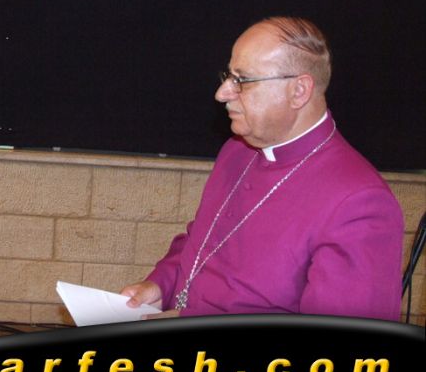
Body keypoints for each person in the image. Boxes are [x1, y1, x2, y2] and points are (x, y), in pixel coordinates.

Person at [121, 17, 403, 321]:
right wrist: (160, 285)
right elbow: (201, 242)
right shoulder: (237, 151)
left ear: (299, 91)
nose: (222, 93)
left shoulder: (359, 203)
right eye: (229, 76)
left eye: (242, 81)